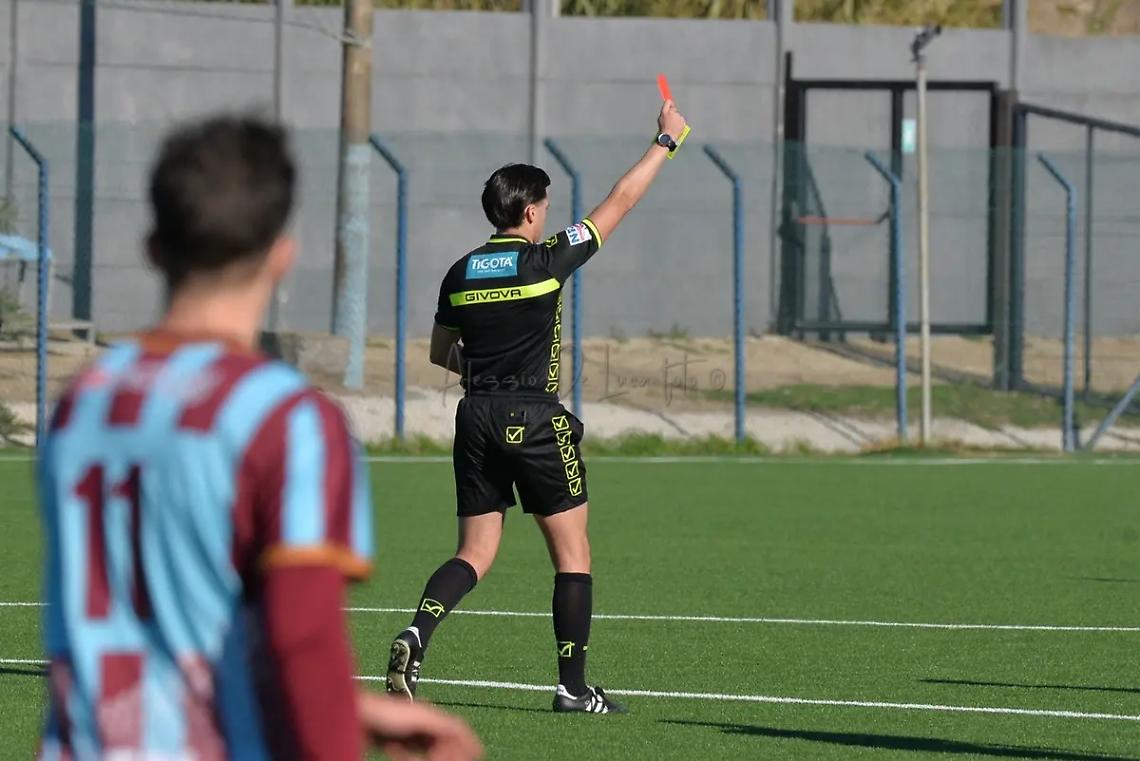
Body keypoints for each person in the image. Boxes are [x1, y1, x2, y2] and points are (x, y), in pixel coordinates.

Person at [37, 115, 483, 761]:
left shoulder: (84, 401)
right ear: (283, 253)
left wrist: (350, 707)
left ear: (154, 247)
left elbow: (160, 629)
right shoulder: (287, 418)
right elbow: (301, 637)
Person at [385, 99, 688, 714]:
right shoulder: (545, 260)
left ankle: (417, 632)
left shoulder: (460, 273)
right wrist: (667, 141)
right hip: (533, 417)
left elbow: (442, 352)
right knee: (572, 554)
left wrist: (488, 375)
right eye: (544, 206)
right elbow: (621, 201)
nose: (547, 215)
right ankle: (572, 689)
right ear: (529, 212)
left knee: (473, 553)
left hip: (474, 416)